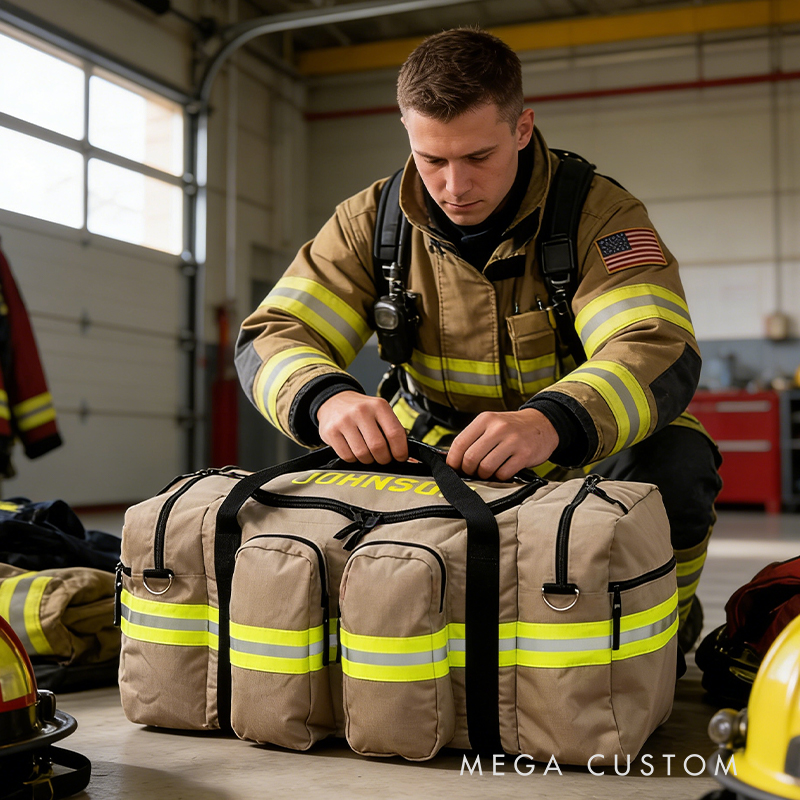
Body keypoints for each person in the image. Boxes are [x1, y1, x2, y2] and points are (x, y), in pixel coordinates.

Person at [235, 27, 721, 652]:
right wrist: (327, 401)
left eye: (478, 157)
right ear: (407, 132)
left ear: (522, 128)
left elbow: (654, 345)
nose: (455, 187)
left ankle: (656, 635)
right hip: (423, 444)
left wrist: (552, 421)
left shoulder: (597, 217)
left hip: (572, 444)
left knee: (677, 463)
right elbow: (275, 333)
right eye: (432, 160)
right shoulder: (370, 222)